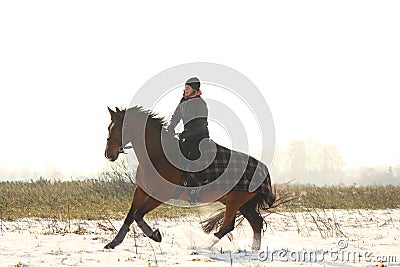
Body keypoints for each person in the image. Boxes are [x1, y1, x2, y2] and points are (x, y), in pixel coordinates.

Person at [167, 77, 209, 204]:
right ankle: (180, 184)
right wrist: (170, 129)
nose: (185, 90)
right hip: (186, 136)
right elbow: (175, 117)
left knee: (192, 156)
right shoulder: (183, 102)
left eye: (187, 88)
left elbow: (201, 125)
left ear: (194, 90)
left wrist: (185, 134)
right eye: (184, 88)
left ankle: (195, 189)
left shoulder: (201, 104)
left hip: (199, 137)